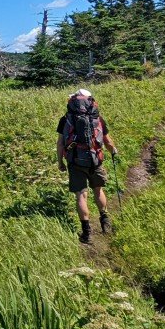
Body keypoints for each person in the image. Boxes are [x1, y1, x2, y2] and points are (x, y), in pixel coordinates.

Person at [56, 88, 119, 244]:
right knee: (98, 190)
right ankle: (105, 222)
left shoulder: (65, 119)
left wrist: (60, 162)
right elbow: (108, 142)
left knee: (81, 195)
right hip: (95, 160)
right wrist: (113, 151)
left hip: (75, 161)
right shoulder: (98, 119)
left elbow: (60, 143)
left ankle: (87, 233)